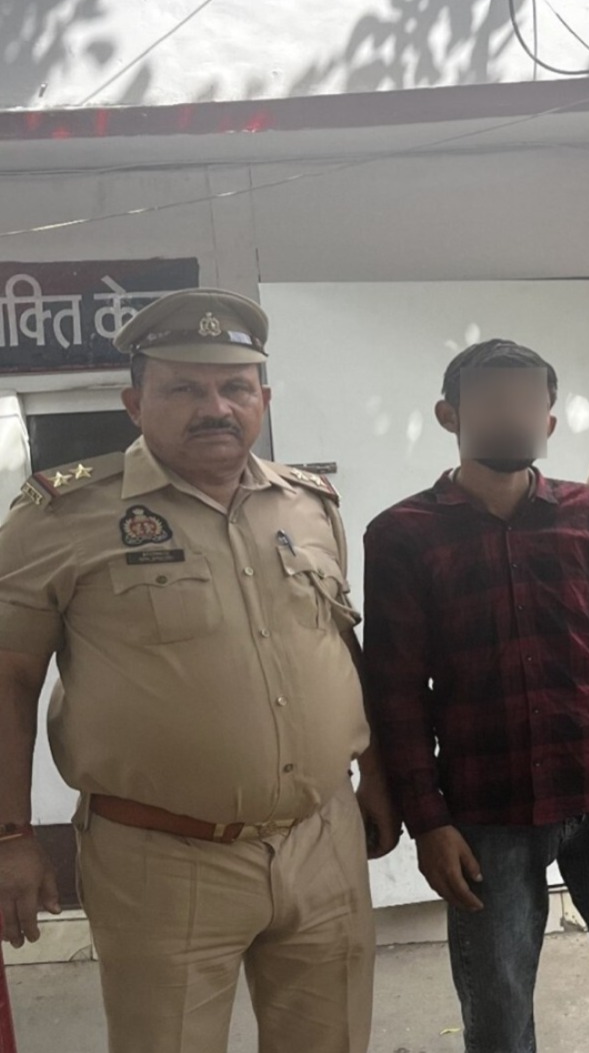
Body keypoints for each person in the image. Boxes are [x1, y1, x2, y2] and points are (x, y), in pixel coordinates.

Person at [0, 288, 398, 1053]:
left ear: (263, 400)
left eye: (234, 387)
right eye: (184, 387)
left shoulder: (310, 505)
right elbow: (9, 678)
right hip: (160, 855)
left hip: (322, 840)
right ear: (134, 403)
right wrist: (11, 833)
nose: (214, 407)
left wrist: (375, 775)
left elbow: (336, 645)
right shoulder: (61, 515)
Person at [362, 338, 589, 1053]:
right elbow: (394, 692)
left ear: (548, 419)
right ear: (450, 414)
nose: (511, 414)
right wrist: (429, 822)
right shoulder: (401, 536)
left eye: (527, 402)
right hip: (485, 811)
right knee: (498, 1020)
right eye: (491, 400)